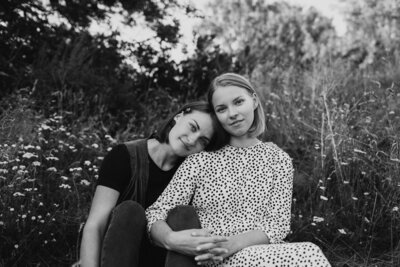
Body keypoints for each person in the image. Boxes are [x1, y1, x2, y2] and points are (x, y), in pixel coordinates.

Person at [146, 73, 331, 266]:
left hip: (266, 255)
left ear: (254, 100)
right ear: (216, 116)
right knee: (308, 254)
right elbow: (156, 212)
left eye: (238, 102)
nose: (232, 113)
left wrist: (232, 244)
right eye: (222, 109)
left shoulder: (279, 160)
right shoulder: (200, 159)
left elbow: (278, 225)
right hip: (214, 258)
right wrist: (170, 239)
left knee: (308, 253)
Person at [79, 101, 229, 267]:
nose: (192, 140)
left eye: (203, 141)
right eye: (193, 127)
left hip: (165, 260)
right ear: (179, 116)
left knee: (183, 214)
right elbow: (95, 224)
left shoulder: (195, 172)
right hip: (118, 256)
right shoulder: (125, 156)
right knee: (130, 210)